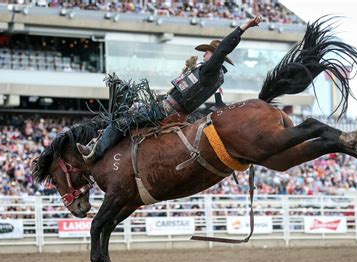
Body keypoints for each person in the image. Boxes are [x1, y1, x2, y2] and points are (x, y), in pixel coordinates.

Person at [77, 15, 262, 163]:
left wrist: (243, 27)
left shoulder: (210, 70)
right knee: (132, 111)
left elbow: (224, 48)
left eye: (207, 51)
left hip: (167, 109)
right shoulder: (213, 76)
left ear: (214, 55)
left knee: (120, 120)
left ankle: (95, 153)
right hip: (172, 108)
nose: (204, 54)